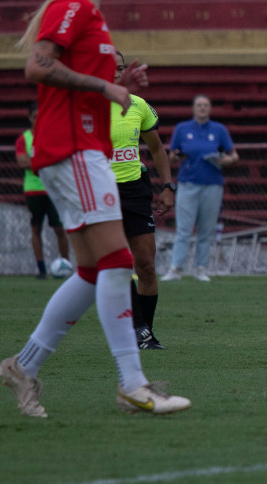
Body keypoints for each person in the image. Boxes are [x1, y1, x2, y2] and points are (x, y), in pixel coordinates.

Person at [0, 0, 189, 417]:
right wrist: (103, 89)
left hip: (82, 150)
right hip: (75, 150)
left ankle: (24, 366)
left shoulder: (83, 14)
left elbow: (76, 82)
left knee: (91, 270)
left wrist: (116, 86)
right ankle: (132, 382)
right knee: (119, 259)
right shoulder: (75, 7)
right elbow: (38, 68)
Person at [110, 51, 175, 349]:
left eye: (121, 68)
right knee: (120, 263)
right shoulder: (89, 106)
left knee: (146, 265)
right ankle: (137, 330)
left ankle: (144, 331)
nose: (116, 73)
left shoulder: (139, 106)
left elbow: (158, 149)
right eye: (111, 68)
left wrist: (168, 186)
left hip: (135, 188)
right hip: (103, 191)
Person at [162, 94, 237, 281]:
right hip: (188, 183)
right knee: (184, 228)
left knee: (206, 228)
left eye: (205, 105)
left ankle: (201, 268)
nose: (202, 108)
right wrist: (177, 156)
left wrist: (223, 160)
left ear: (210, 108)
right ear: (193, 108)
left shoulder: (219, 130)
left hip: (212, 184)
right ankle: (175, 268)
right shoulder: (182, 128)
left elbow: (233, 155)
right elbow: (171, 155)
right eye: (199, 105)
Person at [15, 101, 70, 278]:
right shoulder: (24, 139)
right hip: (33, 190)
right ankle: (41, 270)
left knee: (60, 229)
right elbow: (22, 161)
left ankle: (66, 266)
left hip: (52, 189)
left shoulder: (52, 136)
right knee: (36, 229)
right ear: (29, 118)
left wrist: (38, 163)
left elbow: (61, 158)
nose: (37, 121)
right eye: (34, 117)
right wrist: (45, 161)